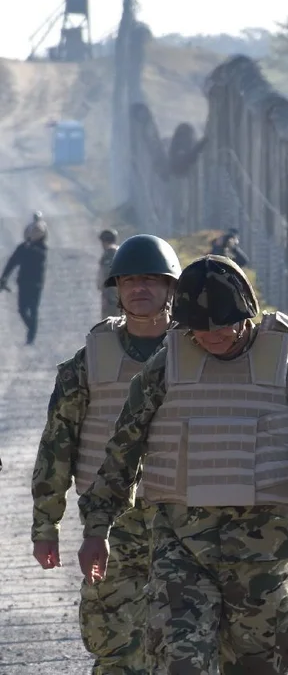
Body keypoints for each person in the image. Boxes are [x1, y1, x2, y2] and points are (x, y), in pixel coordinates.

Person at [78, 255, 288, 674]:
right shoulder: (167, 366)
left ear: (245, 316)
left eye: (221, 327)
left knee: (257, 666)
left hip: (262, 552)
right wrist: (96, 528)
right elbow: (122, 449)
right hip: (180, 546)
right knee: (180, 663)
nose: (211, 337)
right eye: (198, 329)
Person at [32, 234, 182, 675]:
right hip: (112, 525)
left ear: (171, 288)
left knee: (188, 645)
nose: (140, 288)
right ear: (116, 289)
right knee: (115, 645)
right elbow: (57, 445)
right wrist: (46, 524)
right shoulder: (87, 364)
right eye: (130, 279)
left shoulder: (200, 354)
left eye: (152, 279)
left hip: (191, 525)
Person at [1, 214, 50, 344]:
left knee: (33, 309)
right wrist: (4, 277)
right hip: (23, 283)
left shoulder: (41, 249)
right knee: (22, 310)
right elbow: (11, 263)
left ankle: (31, 336)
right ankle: (32, 329)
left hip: (36, 284)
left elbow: (39, 259)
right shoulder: (23, 248)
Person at [98, 229, 120, 319]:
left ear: (104, 241)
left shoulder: (109, 255)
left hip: (111, 298)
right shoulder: (121, 252)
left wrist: (106, 296)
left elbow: (106, 277)